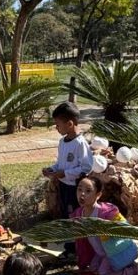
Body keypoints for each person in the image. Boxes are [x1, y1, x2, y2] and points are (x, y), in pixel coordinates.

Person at [71, 176, 138, 275]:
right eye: (79, 189)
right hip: (99, 253)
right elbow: (81, 242)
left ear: (98, 195)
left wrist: (108, 229)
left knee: (104, 274)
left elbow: (124, 229)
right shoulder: (78, 215)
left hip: (113, 252)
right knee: (92, 270)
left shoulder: (107, 212)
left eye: (88, 191)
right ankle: (126, 265)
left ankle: (133, 271)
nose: (82, 194)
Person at [42, 101, 92, 258]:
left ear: (70, 124)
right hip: (63, 186)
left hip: (75, 189)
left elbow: (86, 167)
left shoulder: (80, 143)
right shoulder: (62, 142)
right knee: (66, 215)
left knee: (75, 217)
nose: (56, 128)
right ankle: (71, 245)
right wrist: (52, 169)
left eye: (58, 124)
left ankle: (75, 249)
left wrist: (66, 173)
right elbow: (61, 163)